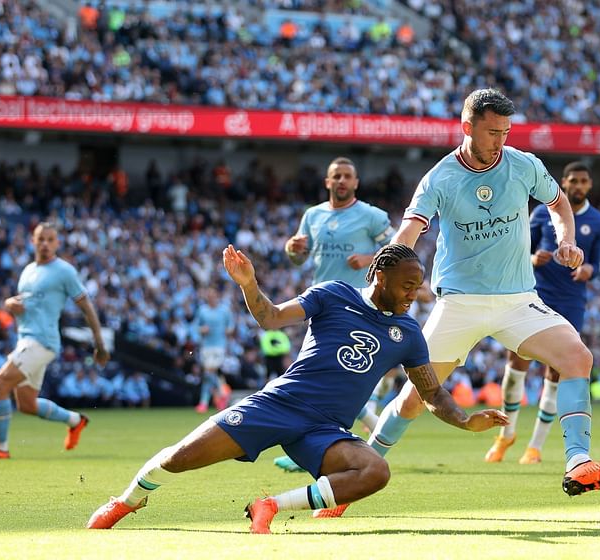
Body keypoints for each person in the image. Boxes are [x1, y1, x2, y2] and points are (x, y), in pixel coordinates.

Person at [86, 244, 507, 532]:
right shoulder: (333, 294)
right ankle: (127, 500)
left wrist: (466, 421)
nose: (414, 294)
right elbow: (270, 318)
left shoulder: (409, 333)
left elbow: (433, 393)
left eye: (417, 286)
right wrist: (249, 284)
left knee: (375, 470)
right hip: (280, 404)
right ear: (379, 275)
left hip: (326, 430)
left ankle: (269, 506)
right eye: (407, 285)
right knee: (179, 459)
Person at [352, 89, 600, 509]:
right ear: (467, 128)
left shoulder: (523, 165)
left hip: (518, 299)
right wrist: (386, 265)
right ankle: (357, 473)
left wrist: (567, 240)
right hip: (460, 303)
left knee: (577, 358)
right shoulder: (441, 177)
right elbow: (410, 231)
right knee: (414, 398)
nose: (500, 141)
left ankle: (577, 463)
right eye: (491, 132)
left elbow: (558, 204)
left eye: (505, 131)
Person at [485, 161, 600, 465]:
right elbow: (517, 248)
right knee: (516, 362)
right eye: (573, 181)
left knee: (556, 371)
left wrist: (588, 269)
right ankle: (507, 434)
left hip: (571, 302)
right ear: (564, 183)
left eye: (583, 181)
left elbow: (599, 263)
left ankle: (535, 446)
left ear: (589, 185)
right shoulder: (542, 212)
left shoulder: (598, 222)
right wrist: (532, 258)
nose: (578, 186)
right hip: (535, 295)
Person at [276, 156, 396, 472]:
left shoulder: (371, 216)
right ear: (327, 182)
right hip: (321, 303)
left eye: (347, 176)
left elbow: (399, 253)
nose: (341, 181)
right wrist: (293, 249)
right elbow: (299, 259)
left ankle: (325, 445)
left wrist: (371, 258)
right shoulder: (312, 216)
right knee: (320, 377)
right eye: (336, 176)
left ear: (356, 182)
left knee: (329, 377)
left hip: (358, 305)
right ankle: (348, 437)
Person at [0, 222, 109, 460]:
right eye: (41, 239)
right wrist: (11, 304)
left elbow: (87, 307)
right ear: (33, 241)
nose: (45, 243)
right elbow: (29, 303)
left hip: (42, 342)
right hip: (25, 340)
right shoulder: (28, 270)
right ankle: (76, 420)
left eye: (50, 239)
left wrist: (100, 344)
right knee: (27, 405)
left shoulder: (64, 271)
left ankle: (0, 447)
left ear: (57, 243)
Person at [193, 287, 234, 413]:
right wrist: (202, 330)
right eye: (209, 296)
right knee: (208, 375)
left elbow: (231, 326)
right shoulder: (202, 310)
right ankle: (216, 396)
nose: (211, 298)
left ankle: (207, 400)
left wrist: (228, 331)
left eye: (213, 296)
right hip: (206, 345)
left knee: (210, 371)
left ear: (217, 297)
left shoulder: (224, 310)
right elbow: (196, 326)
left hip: (219, 345)